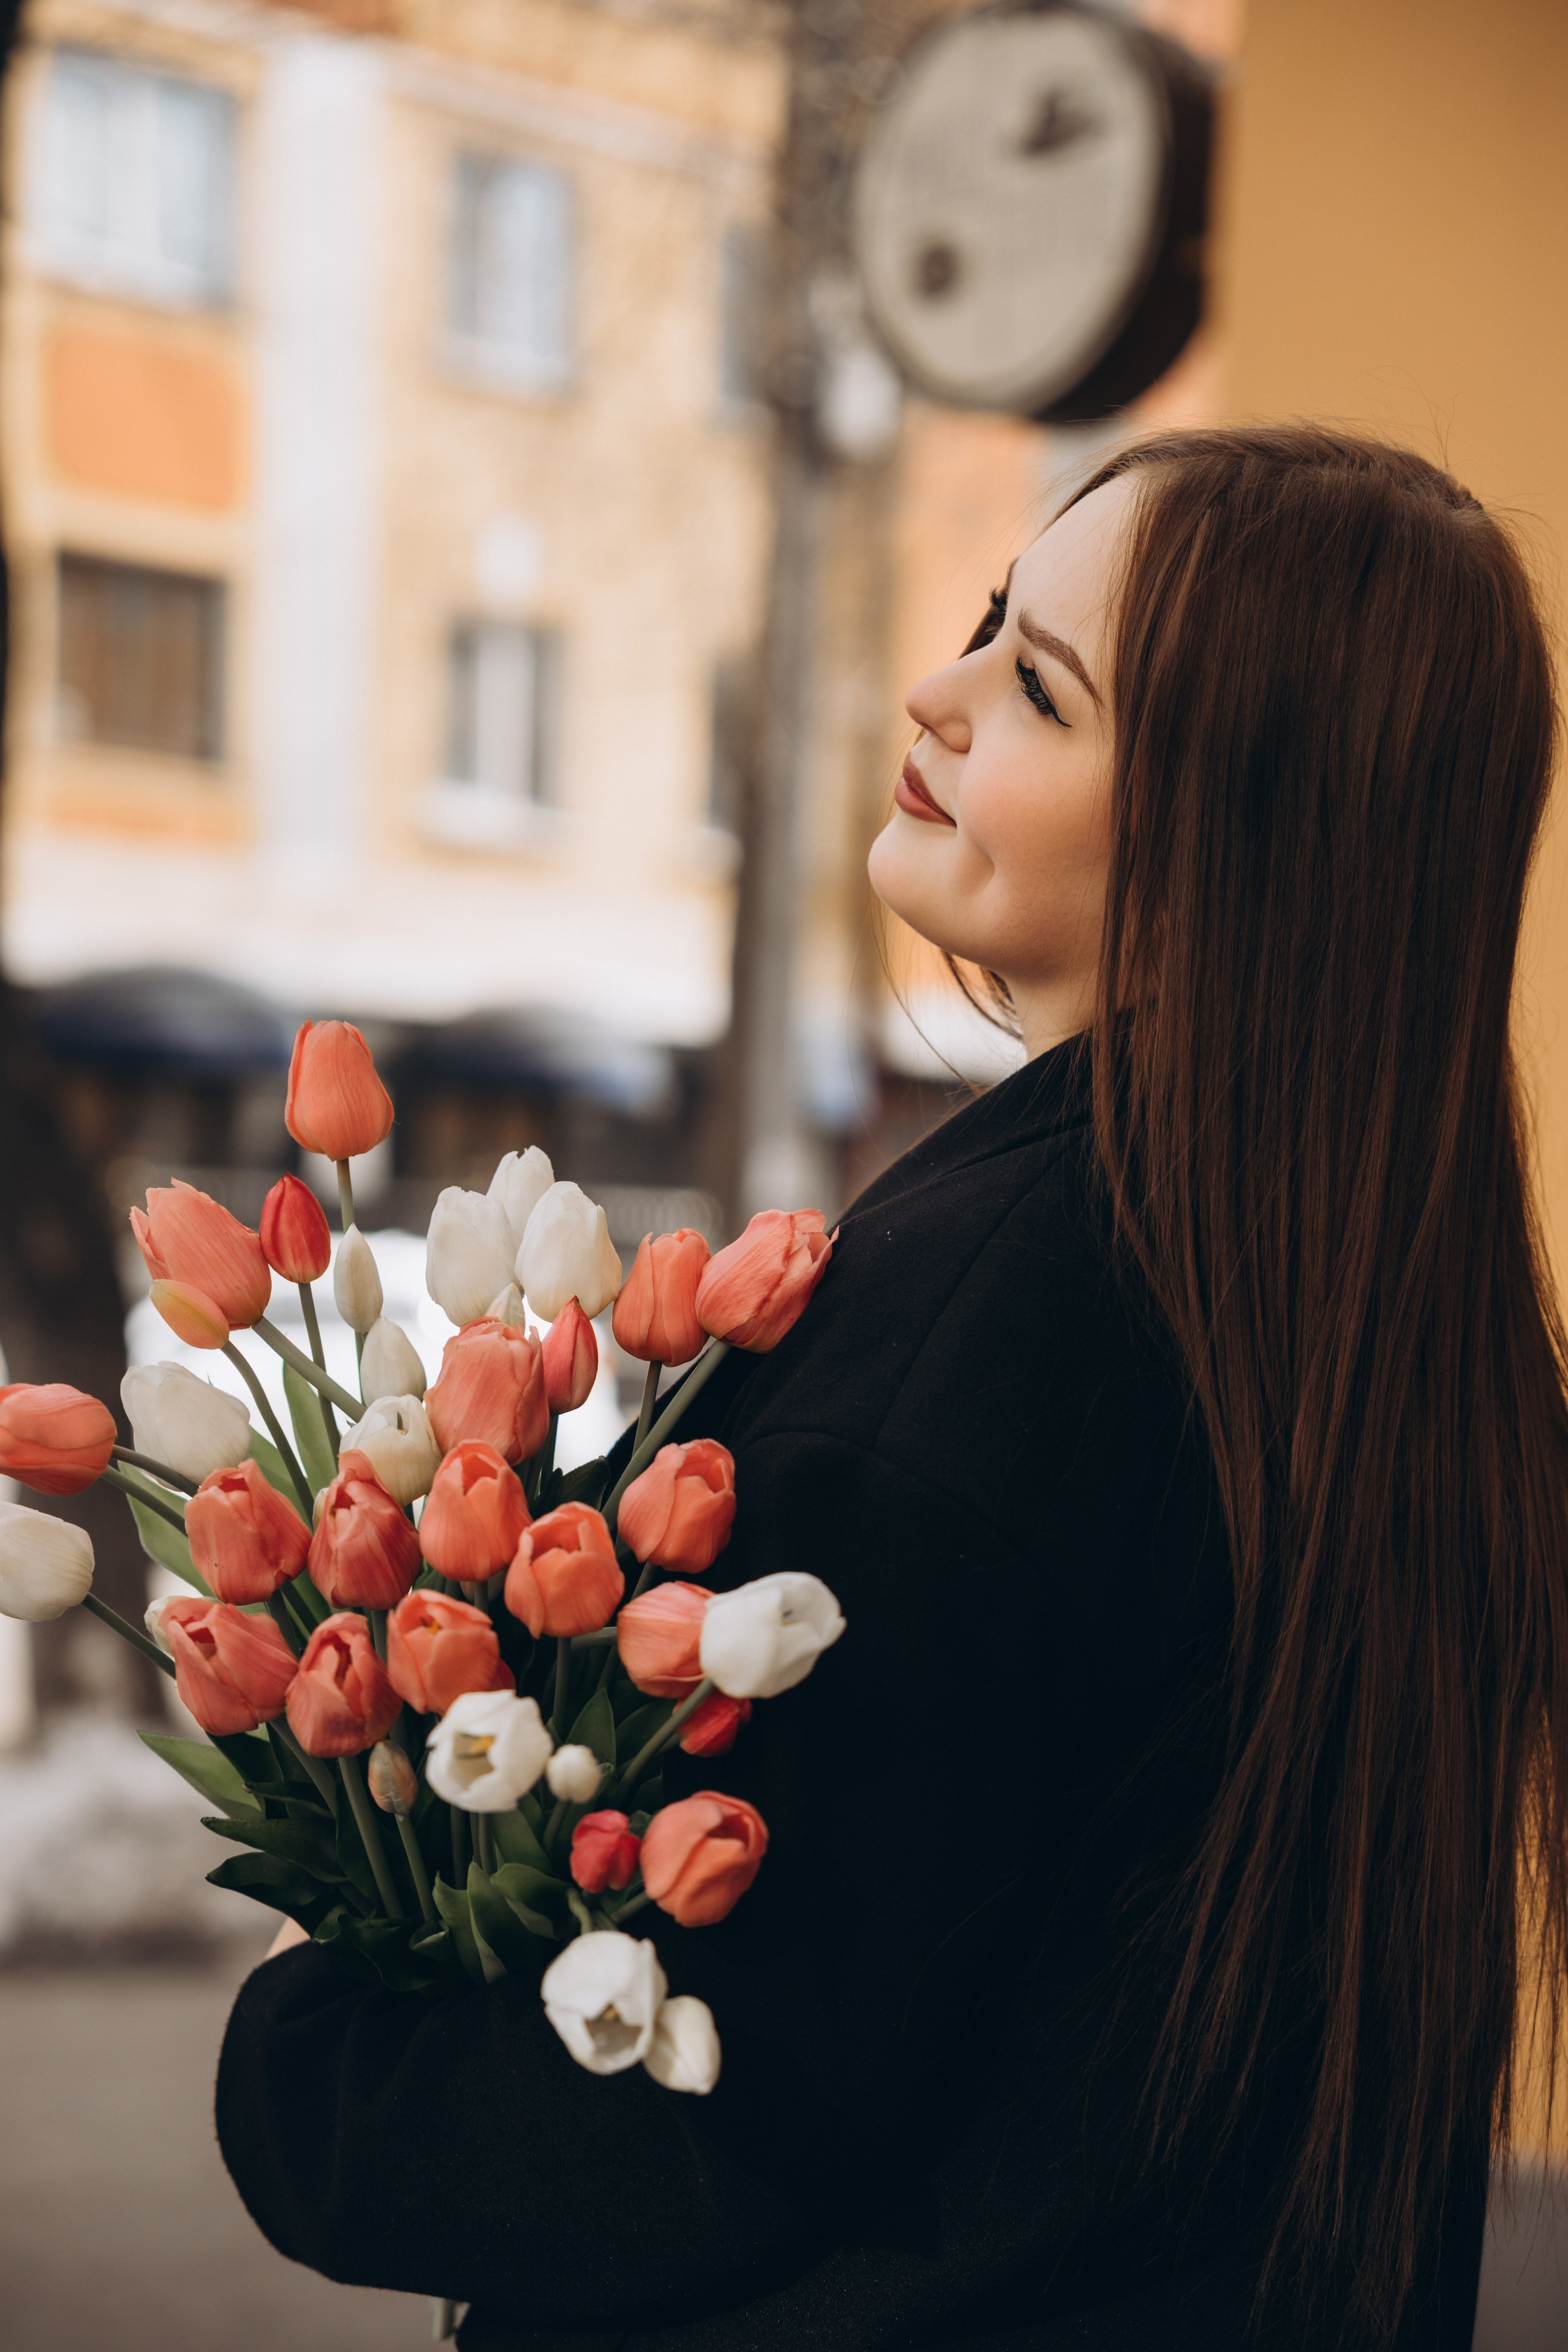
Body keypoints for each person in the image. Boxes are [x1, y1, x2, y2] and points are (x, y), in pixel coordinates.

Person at [218, 426, 1568, 2350]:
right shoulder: (1389, 1337)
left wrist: (319, 2026)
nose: (935, 695)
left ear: (1235, 834)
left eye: (1038, 689)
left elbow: (739, 2113)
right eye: (990, 623)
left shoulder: (982, 1345)